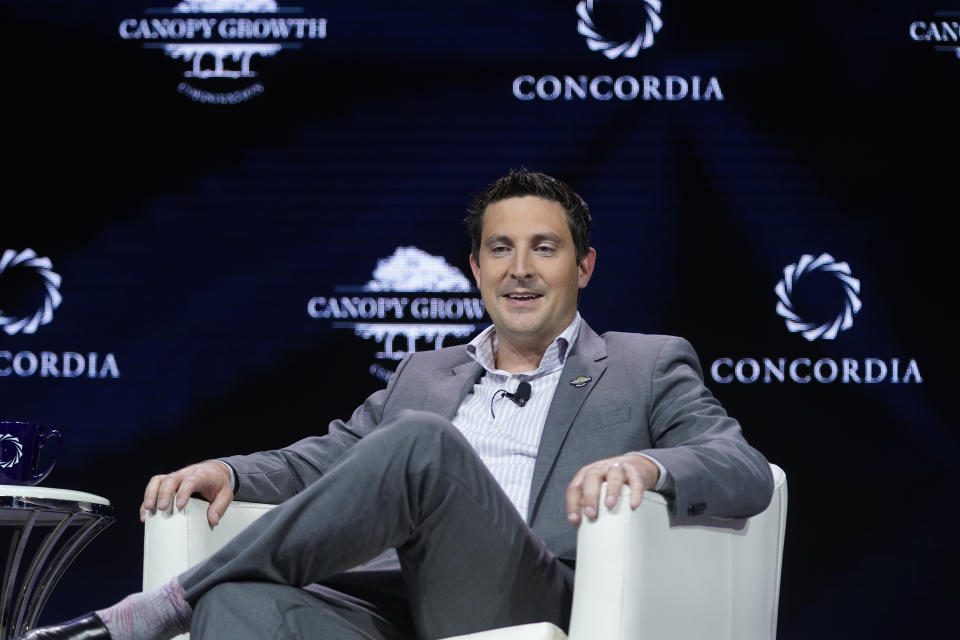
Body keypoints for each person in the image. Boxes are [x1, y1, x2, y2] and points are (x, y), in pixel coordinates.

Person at [21, 169, 774, 640]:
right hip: (388, 606)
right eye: (500, 250)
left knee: (423, 445)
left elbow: (740, 467)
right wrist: (230, 470)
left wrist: (647, 463)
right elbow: (327, 459)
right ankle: (201, 601)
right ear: (475, 269)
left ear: (584, 265)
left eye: (543, 248)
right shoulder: (427, 372)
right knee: (242, 608)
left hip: (526, 598)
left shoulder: (644, 365)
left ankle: (162, 606)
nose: (520, 270)